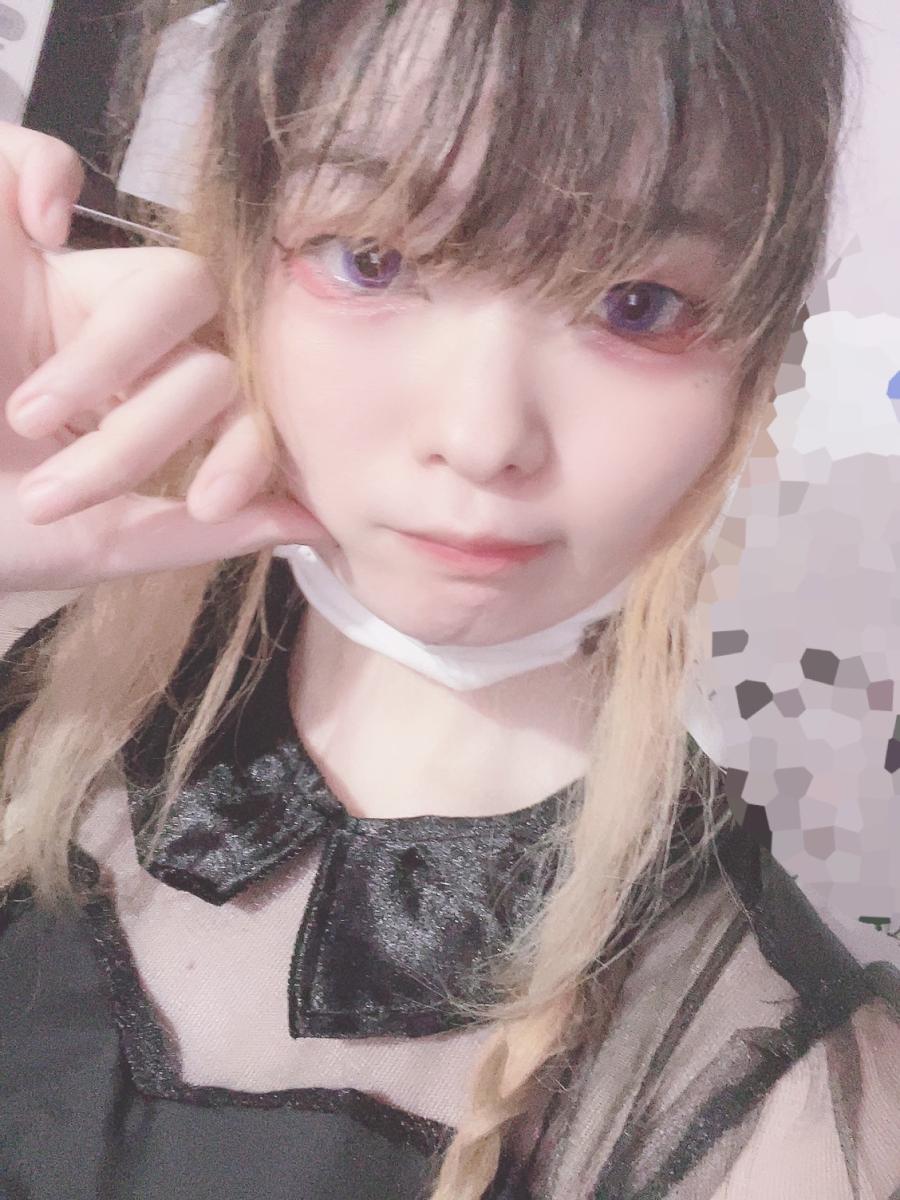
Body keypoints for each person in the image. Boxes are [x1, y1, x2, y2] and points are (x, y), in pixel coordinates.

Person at [1, 2, 898, 1198]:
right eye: (372, 258)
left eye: (638, 303)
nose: (482, 437)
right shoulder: (40, 711)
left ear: (755, 362)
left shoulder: (771, 1111)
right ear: (238, 249)